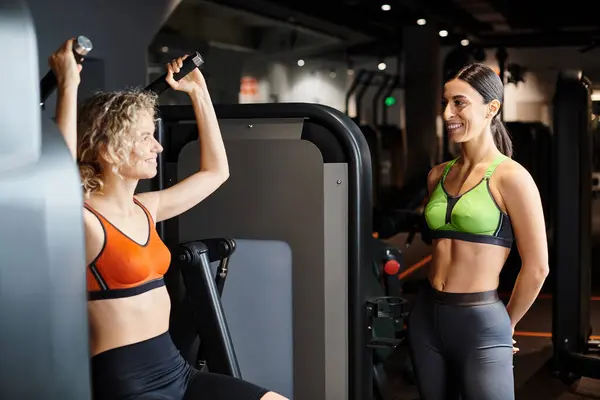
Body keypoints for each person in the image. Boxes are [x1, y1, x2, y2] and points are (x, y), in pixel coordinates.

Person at [49, 38, 288, 400]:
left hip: (177, 370)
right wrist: (68, 87)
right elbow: (61, 177)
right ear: (108, 148)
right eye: (145, 137)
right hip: (128, 385)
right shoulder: (83, 218)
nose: (157, 146)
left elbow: (216, 172)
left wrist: (198, 93)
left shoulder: (147, 208)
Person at [408, 63, 549, 400]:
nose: (447, 113)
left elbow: (537, 266)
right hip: (427, 317)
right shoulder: (437, 175)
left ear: (492, 108)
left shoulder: (511, 177)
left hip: (481, 323)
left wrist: (507, 324)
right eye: (444, 103)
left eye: (459, 102)